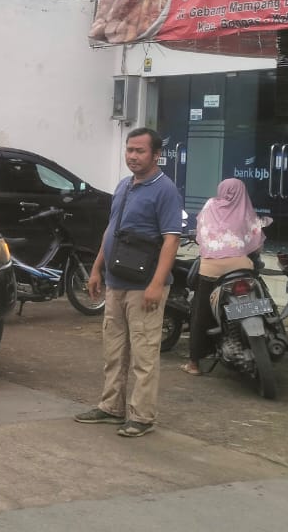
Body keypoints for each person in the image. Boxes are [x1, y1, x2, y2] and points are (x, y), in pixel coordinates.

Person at [75, 127, 182, 438]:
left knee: (144, 354)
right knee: (114, 350)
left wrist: (156, 284)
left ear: (156, 155)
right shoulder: (124, 185)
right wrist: (97, 269)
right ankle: (111, 407)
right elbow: (112, 230)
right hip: (116, 281)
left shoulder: (165, 190)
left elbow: (171, 239)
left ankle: (142, 416)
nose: (133, 156)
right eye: (129, 150)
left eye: (140, 151)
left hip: (144, 286)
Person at [182, 178, 264, 376]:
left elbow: (201, 232)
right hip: (241, 266)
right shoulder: (245, 209)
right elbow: (256, 240)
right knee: (260, 294)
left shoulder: (210, 205)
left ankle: (194, 363)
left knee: (200, 313)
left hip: (211, 269)